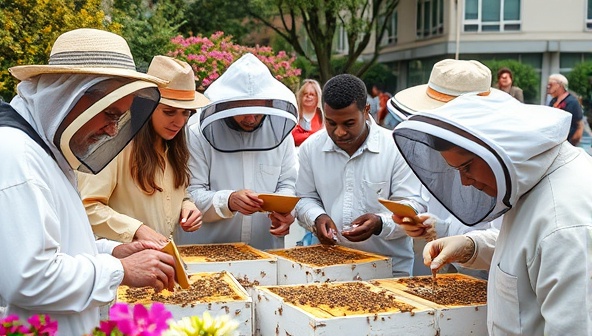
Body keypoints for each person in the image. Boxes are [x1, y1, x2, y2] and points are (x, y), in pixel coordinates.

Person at [0, 28, 178, 334]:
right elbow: (28, 278)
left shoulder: (43, 149)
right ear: (71, 96)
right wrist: (119, 270)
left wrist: (110, 251)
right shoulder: (16, 156)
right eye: (109, 114)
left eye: (119, 118)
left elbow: (57, 246)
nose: (112, 130)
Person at [392, 92, 592, 334]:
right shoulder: (534, 180)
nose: (464, 182)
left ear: (500, 151)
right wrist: (471, 246)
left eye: (466, 167)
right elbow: (529, 254)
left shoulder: (565, 224)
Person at [296, 74, 427, 276]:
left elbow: (413, 207)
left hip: (390, 272)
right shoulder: (309, 149)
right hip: (331, 269)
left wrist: (379, 223)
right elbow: (304, 198)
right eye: (331, 123)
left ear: (366, 111)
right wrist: (317, 217)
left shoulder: (397, 148)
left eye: (348, 123)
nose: (339, 132)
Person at [78, 56, 209, 244]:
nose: (179, 122)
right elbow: (87, 207)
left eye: (185, 113)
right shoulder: (112, 146)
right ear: (148, 105)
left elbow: (174, 193)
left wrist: (187, 205)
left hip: (162, 263)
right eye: (169, 111)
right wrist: (135, 229)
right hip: (121, 266)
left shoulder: (173, 147)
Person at [388, 58, 500, 278]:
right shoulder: (431, 148)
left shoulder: (498, 158)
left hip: (486, 278)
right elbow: (426, 197)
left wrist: (455, 236)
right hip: (439, 267)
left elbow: (502, 236)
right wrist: (423, 221)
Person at [174, 53, 298, 250]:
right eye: (242, 111)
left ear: (268, 102)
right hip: (208, 250)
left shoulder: (281, 135)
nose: (250, 119)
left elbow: (287, 184)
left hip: (265, 249)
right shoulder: (197, 133)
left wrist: (282, 212)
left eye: (257, 110)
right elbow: (190, 195)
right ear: (227, 103)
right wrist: (229, 201)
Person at [547, 74, 585, 146]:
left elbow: (579, 125)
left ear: (560, 85)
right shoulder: (553, 101)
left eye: (551, 84)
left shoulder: (572, 102)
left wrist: (573, 142)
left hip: (568, 144)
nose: (548, 87)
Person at [291, 79, 323, 146]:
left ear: (318, 97)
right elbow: (291, 137)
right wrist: (312, 135)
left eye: (312, 94)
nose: (308, 96)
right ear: (300, 96)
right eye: (305, 94)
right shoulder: (293, 114)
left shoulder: (323, 118)